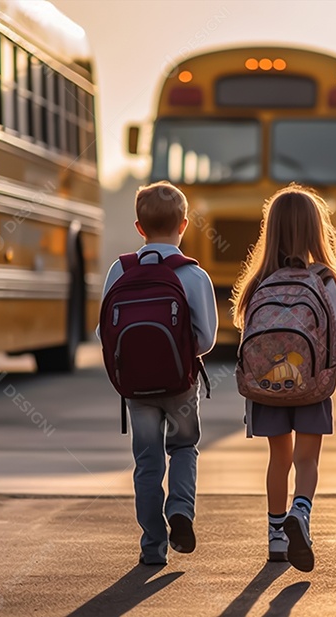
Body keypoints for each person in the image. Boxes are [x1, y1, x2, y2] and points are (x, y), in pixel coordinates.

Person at [231, 185, 336, 572]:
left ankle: (275, 535)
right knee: (306, 459)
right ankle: (301, 512)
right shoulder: (326, 280)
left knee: (278, 459)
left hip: (266, 388)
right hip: (311, 387)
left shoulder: (257, 283)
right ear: (317, 231)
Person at [100, 181, 217, 566]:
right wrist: (180, 357)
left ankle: (152, 547)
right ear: (184, 225)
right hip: (180, 384)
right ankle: (180, 512)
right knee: (183, 447)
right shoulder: (193, 275)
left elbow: (104, 332)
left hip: (135, 388)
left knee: (148, 462)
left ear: (139, 227)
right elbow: (206, 338)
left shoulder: (121, 269)